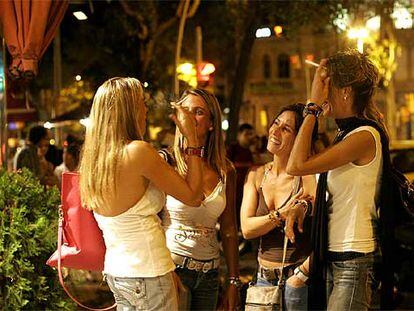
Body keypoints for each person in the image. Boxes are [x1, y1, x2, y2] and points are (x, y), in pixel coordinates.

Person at [79, 77, 204, 311]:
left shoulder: (94, 160)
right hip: (147, 271)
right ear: (128, 110)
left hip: (118, 273)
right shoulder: (138, 152)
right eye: (141, 103)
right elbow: (194, 196)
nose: (145, 110)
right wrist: (193, 140)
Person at [287, 50, 385, 310]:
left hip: (354, 259)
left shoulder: (364, 135)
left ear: (345, 91)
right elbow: (333, 197)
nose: (320, 91)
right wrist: (305, 205)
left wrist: (312, 106)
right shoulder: (345, 135)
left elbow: (296, 165)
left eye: (325, 85)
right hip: (335, 256)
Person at [160, 89, 240, 311]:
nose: (190, 117)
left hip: (210, 275)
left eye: (198, 112)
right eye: (185, 111)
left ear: (212, 123)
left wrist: (234, 281)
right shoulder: (165, 162)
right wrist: (163, 269)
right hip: (173, 269)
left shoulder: (226, 170)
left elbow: (229, 228)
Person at [240, 103, 317, 310]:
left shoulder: (308, 176)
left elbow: (325, 231)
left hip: (298, 279)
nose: (275, 131)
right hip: (263, 280)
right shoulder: (256, 175)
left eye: (286, 129)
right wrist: (280, 215)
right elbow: (247, 229)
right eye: (276, 123)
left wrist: (301, 275)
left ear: (300, 138)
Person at [227, 123, 255, 229]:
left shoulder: (249, 151)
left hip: (245, 191)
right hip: (233, 190)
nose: (250, 137)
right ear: (239, 135)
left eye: (251, 134)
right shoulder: (232, 149)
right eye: (247, 134)